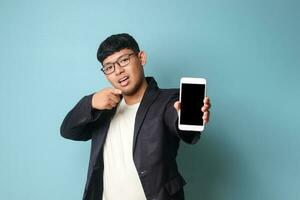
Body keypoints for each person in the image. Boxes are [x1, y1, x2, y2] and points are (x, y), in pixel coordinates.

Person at [60, 33, 211, 200]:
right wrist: (90, 103)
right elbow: (68, 130)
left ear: (141, 58)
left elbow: (179, 122)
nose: (118, 71)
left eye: (124, 60)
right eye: (109, 67)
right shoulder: (104, 107)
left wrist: (184, 119)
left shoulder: (168, 100)